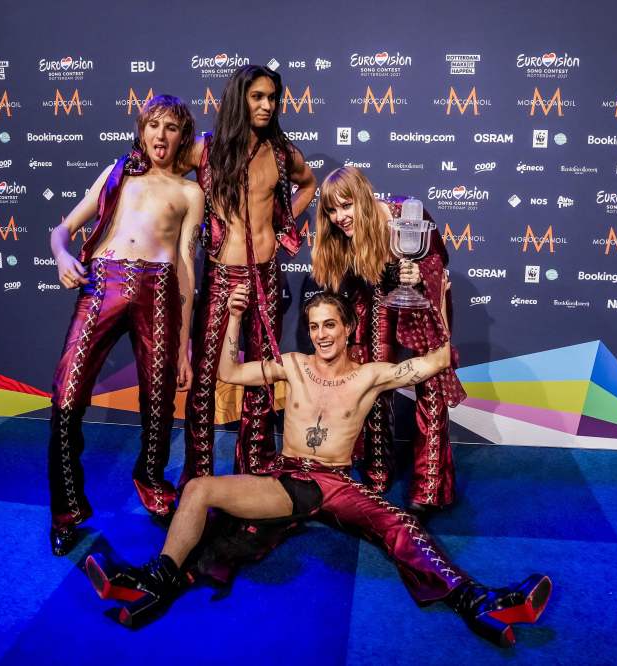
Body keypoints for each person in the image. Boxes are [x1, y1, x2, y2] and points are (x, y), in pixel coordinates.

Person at [84, 285, 551, 648]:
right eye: (314, 326)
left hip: (333, 481)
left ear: (348, 328)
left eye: (330, 325)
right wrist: (234, 317)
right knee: (206, 498)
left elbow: (436, 360)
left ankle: (479, 602)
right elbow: (230, 371)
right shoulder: (294, 365)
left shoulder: (369, 375)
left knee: (399, 524)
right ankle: (155, 581)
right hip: (287, 477)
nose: (322, 334)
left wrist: (435, 300)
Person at [46, 95, 203, 555]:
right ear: (141, 130)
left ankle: (151, 481)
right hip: (102, 284)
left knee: (158, 401)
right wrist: (61, 255)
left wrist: (184, 347)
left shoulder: (191, 193)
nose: (160, 135)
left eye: (171, 127)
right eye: (153, 125)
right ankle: (66, 510)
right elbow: (64, 228)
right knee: (67, 396)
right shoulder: (118, 174)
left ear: (182, 137)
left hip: (159, 292)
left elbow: (187, 270)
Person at [179, 64, 316, 485]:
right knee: (204, 380)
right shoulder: (205, 149)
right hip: (220, 276)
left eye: (272, 98)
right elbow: (162, 174)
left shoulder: (280, 152)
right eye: (257, 96)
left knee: (260, 375)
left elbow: (308, 183)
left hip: (267, 275)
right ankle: (197, 477)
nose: (267, 105)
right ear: (240, 98)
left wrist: (282, 227)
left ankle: (254, 471)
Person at [312, 166, 465, 511]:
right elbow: (351, 281)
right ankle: (376, 470)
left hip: (422, 298)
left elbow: (439, 259)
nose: (339, 217)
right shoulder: (340, 234)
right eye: (332, 210)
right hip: (376, 297)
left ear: (363, 199)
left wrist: (415, 271)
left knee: (430, 380)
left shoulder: (405, 213)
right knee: (372, 372)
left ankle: (430, 488)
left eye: (346, 206)